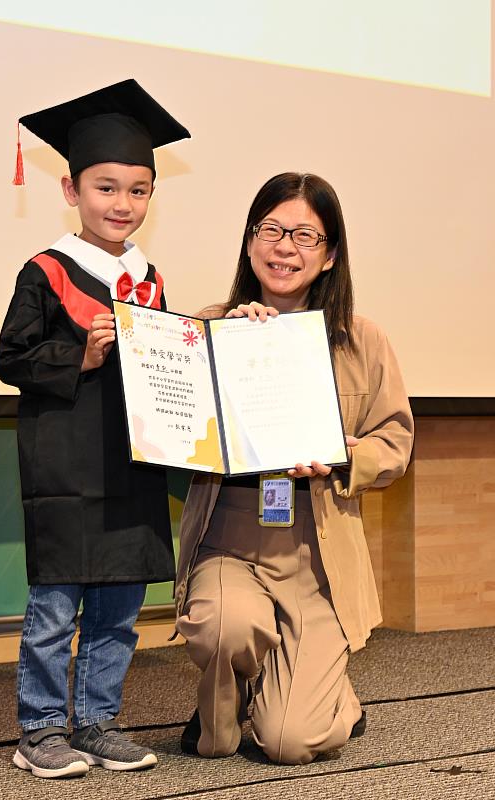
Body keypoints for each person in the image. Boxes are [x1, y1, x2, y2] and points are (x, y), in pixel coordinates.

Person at [175, 172, 414, 765]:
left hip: (318, 552)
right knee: (226, 630)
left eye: (306, 235)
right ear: (251, 242)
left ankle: (323, 695)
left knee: (291, 742)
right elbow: (174, 431)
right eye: (272, 230)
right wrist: (224, 352)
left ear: (331, 255)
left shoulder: (364, 340)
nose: (286, 247)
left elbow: (395, 441)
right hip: (228, 541)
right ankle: (230, 699)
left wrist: (342, 455)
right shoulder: (208, 327)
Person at [0, 79, 190, 779]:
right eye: (106, 188)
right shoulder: (46, 272)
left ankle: (97, 720)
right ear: (71, 190)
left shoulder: (149, 278)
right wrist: (79, 351)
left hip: (132, 468)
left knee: (118, 609)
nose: (123, 205)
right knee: (55, 610)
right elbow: (9, 357)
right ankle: (40, 729)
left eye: (138, 191)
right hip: (65, 469)